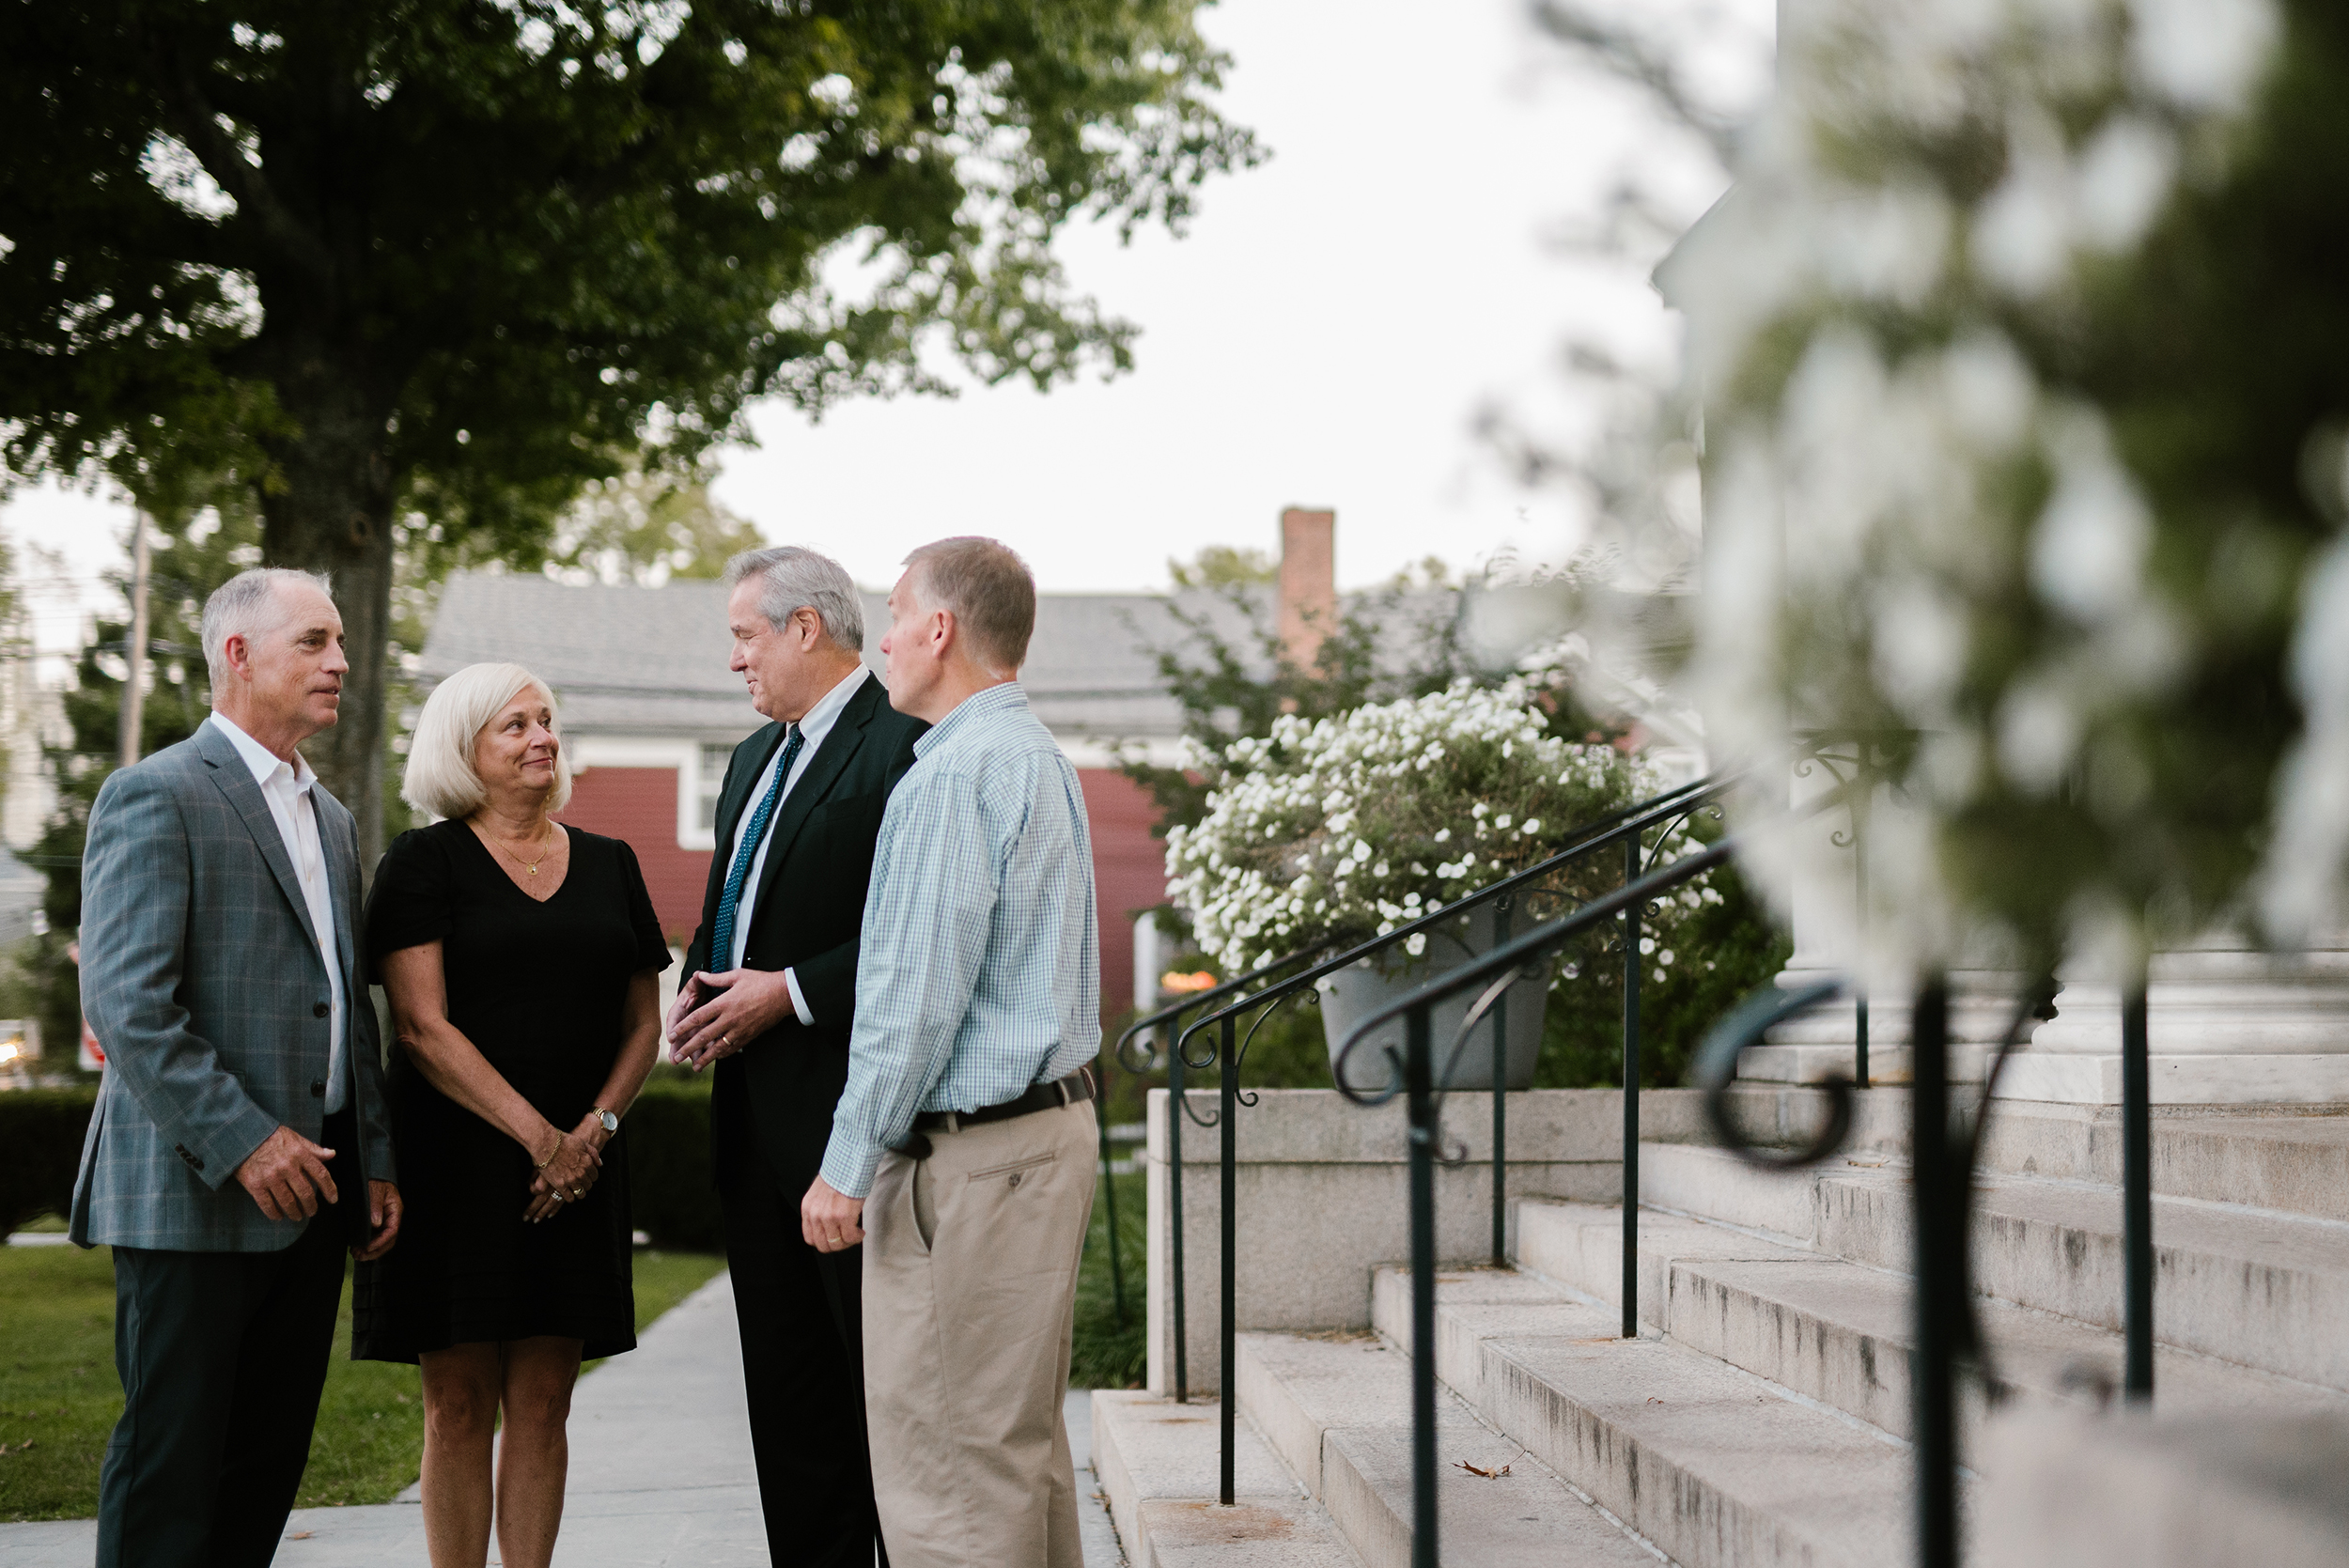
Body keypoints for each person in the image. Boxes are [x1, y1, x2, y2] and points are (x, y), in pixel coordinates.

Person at [70, 567, 401, 1568]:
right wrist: (247, 1138)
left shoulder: (332, 818)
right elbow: (128, 1005)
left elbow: (348, 1002)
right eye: (314, 641)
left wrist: (372, 1152)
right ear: (237, 655)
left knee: (263, 1469)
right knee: (173, 1471)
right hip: (194, 1188)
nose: (342, 661)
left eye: (340, 641)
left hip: (314, 1196)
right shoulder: (154, 793)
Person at [801, 536, 1102, 1568]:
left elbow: (912, 1005)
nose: (879, 638)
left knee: (948, 1475)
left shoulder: (951, 780)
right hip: (1047, 1137)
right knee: (1015, 1455)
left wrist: (845, 1165)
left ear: (940, 629)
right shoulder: (1040, 761)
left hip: (971, 1165)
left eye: (892, 614)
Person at [354, 661, 670, 1568]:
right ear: (465, 750)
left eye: (546, 721)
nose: (542, 738)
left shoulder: (613, 862)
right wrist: (544, 1140)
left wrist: (591, 1136)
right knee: (456, 1404)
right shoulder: (424, 862)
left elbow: (645, 1025)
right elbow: (420, 1026)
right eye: (514, 727)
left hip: (580, 1168)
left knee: (544, 1401)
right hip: (456, 1161)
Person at [664, 545, 926, 1567]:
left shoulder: (905, 743)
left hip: (850, 1142)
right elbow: (732, 909)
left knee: (881, 1413)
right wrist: (702, 987)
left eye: (744, 635)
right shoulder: (749, 761)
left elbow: (923, 934)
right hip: (750, 1138)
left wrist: (791, 992)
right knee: (790, 1417)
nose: (736, 660)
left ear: (805, 628)